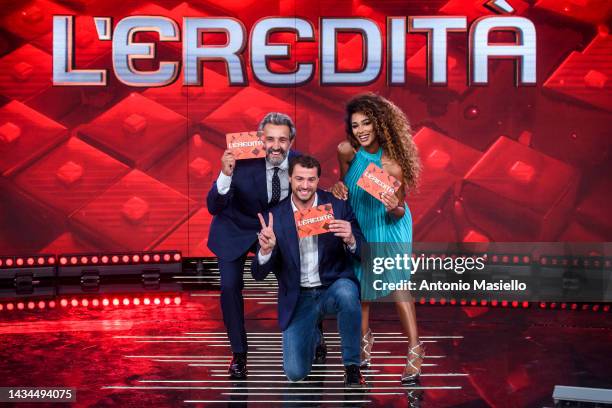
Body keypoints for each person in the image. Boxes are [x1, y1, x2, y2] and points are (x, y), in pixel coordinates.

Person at [207, 112, 329, 379]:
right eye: (270, 139)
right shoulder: (239, 159)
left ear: (291, 141)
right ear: (260, 138)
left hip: (277, 230)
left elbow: (316, 197)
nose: (276, 145)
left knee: (305, 275)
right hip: (235, 229)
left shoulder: (300, 164)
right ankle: (238, 355)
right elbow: (213, 206)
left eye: (282, 140)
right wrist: (224, 175)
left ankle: (315, 331)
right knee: (229, 288)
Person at [331, 93, 423, 384]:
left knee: (397, 287)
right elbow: (345, 184)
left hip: (389, 226)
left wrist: (391, 205)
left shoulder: (393, 165)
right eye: (356, 125)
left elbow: (398, 210)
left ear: (380, 124)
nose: (361, 130)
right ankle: (364, 345)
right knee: (363, 290)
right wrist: (337, 188)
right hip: (362, 224)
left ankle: (416, 349)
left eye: (367, 123)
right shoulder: (347, 151)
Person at [252, 155, 366, 387]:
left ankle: (352, 367)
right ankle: (315, 333)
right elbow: (257, 273)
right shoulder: (274, 217)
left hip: (332, 286)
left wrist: (352, 238)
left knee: (347, 293)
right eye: (300, 179)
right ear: (290, 178)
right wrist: (266, 251)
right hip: (299, 295)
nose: (305, 185)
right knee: (295, 373)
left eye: (311, 180)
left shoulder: (337, 205)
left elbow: (364, 253)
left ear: (318, 180)